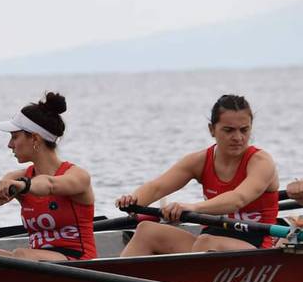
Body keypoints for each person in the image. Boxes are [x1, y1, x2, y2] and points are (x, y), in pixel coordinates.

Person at [116, 94, 279, 257]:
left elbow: (238, 199)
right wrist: (132, 202)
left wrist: (193, 207)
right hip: (209, 242)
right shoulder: (199, 161)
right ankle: (112, 281)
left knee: (206, 241)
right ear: (212, 129)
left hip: (257, 247)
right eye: (228, 130)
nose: (238, 137)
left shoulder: (261, 162)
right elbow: (156, 187)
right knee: (146, 230)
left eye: (244, 130)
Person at [0, 92, 97, 262]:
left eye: (14, 136)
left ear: (34, 138)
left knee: (22, 254)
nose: (9, 145)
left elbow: (49, 184)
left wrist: (23, 186)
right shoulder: (17, 178)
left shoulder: (78, 176)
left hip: (79, 261)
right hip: (36, 262)